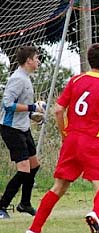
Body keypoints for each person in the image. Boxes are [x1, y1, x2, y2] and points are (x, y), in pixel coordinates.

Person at [26, 43, 99, 233]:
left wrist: (65, 133)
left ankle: (33, 229)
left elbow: (58, 110)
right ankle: (95, 214)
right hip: (93, 141)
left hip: (72, 140)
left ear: (89, 60)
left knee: (58, 187)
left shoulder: (75, 80)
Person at [0, 46, 43, 219]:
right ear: (29, 61)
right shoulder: (18, 78)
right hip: (11, 129)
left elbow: (21, 107)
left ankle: (25, 203)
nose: (39, 61)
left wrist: (34, 115)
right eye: (36, 58)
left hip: (23, 128)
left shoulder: (26, 78)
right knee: (24, 169)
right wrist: (32, 107)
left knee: (34, 166)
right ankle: (2, 206)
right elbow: (7, 104)